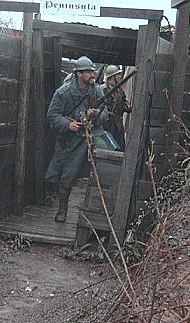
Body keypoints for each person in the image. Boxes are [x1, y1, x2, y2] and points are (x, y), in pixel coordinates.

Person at [45, 56, 109, 223]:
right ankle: (62, 210)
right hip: (70, 139)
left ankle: (98, 213)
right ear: (79, 74)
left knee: (105, 162)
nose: (92, 75)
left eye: (92, 71)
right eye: (88, 72)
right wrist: (68, 124)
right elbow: (52, 115)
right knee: (67, 174)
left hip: (90, 135)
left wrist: (95, 115)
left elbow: (105, 115)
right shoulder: (63, 93)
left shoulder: (97, 91)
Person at [101, 65, 132, 151]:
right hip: (107, 124)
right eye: (118, 75)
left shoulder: (120, 90)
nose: (120, 76)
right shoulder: (102, 90)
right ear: (111, 77)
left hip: (118, 125)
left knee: (121, 148)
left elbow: (124, 102)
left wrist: (126, 106)